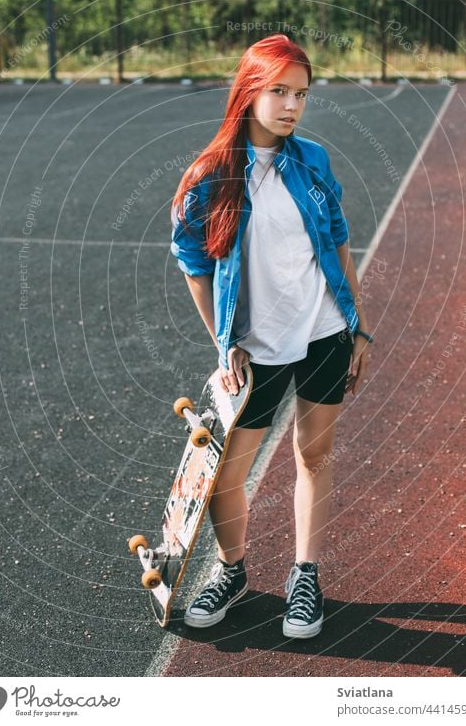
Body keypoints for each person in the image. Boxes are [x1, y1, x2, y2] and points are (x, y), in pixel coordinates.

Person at [170, 34, 373, 639]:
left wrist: (358, 327)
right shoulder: (210, 176)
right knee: (226, 476)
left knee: (315, 455)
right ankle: (233, 571)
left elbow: (337, 239)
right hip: (255, 350)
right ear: (250, 92)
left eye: (302, 95)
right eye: (279, 91)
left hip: (325, 332)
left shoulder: (312, 159)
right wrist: (221, 342)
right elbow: (193, 266)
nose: (291, 106)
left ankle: (304, 575)